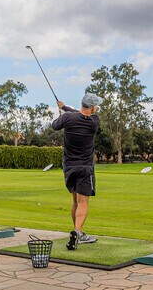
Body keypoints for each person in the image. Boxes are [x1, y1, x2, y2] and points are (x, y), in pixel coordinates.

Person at [52, 92, 103, 249]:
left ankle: (76, 232)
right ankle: (78, 231)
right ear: (93, 108)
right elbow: (80, 115)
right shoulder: (94, 121)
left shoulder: (68, 118)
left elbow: (55, 125)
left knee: (75, 201)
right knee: (83, 202)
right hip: (85, 167)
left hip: (69, 167)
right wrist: (66, 108)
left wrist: (63, 110)